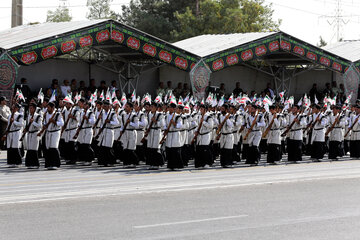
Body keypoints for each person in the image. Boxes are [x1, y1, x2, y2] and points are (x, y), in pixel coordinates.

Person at [97, 100, 119, 167]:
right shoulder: (103, 113)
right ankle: (104, 162)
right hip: (104, 131)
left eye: (106, 106)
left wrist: (110, 122)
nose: (104, 107)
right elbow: (102, 123)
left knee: (108, 147)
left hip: (110, 131)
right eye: (104, 106)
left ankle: (111, 161)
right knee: (103, 147)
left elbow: (117, 123)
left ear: (109, 107)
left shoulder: (113, 114)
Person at [44, 102, 64, 170]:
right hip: (49, 132)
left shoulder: (58, 114)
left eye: (49, 107)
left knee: (54, 147)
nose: (47, 109)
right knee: (48, 148)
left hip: (55, 132)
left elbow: (62, 123)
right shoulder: (46, 114)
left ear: (53, 108)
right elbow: (45, 122)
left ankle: (55, 164)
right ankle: (49, 164)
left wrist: (54, 122)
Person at [146, 103, 165, 170]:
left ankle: (157, 164)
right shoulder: (149, 114)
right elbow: (148, 123)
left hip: (157, 132)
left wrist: (156, 121)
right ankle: (151, 163)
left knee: (155, 149)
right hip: (151, 132)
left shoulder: (159, 114)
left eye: (153, 107)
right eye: (151, 106)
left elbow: (162, 124)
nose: (151, 108)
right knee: (150, 149)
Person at [76, 99, 95, 165]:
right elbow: (79, 121)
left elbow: (93, 121)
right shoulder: (82, 112)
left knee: (87, 145)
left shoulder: (90, 113)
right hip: (83, 129)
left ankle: (89, 159)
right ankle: (84, 159)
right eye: (84, 105)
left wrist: (87, 119)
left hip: (88, 129)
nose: (84, 106)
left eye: (86, 105)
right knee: (83, 145)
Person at [165, 103, 183, 170]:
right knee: (169, 151)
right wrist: (165, 128)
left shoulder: (177, 116)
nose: (169, 108)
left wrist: (174, 123)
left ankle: (177, 165)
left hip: (175, 134)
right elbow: (165, 124)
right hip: (169, 134)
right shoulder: (167, 116)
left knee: (175, 151)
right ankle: (171, 165)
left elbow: (180, 126)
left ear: (173, 108)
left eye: (170, 107)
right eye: (168, 107)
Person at [24, 102, 42, 169]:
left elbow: (40, 126)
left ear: (34, 109)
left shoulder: (38, 116)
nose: (30, 109)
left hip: (35, 133)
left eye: (31, 108)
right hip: (29, 133)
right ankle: (29, 164)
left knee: (34, 149)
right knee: (29, 149)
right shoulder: (28, 116)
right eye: (29, 108)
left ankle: (35, 164)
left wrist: (33, 122)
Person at [6, 103, 24, 167]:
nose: (13, 108)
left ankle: (17, 162)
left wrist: (14, 121)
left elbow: (21, 124)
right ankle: (11, 162)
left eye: (15, 107)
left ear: (17, 108)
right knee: (10, 148)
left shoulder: (20, 115)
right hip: (10, 132)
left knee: (15, 147)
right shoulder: (9, 115)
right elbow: (8, 125)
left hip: (16, 132)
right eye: (13, 107)